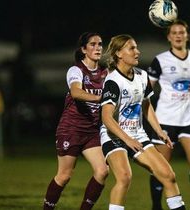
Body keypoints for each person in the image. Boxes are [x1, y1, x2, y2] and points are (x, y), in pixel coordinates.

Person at [100, 34, 186, 210]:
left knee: (168, 176)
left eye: (136, 47)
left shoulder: (142, 76)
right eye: (131, 48)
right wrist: (127, 139)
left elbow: (147, 106)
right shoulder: (112, 81)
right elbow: (106, 118)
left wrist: (160, 131)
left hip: (138, 135)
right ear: (118, 53)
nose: (137, 52)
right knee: (124, 177)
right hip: (114, 136)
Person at [146, 19, 190, 210]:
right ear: (168, 37)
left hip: (189, 119)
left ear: (187, 36)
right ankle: (156, 205)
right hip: (165, 120)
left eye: (181, 32)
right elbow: (147, 89)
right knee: (160, 167)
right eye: (174, 33)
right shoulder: (160, 60)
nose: (178, 36)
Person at [43, 32, 109, 210]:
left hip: (92, 131)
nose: (97, 48)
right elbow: (76, 93)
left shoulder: (105, 73)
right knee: (64, 176)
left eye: (100, 44)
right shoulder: (76, 70)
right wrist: (101, 98)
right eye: (93, 44)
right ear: (83, 49)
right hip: (71, 128)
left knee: (102, 171)